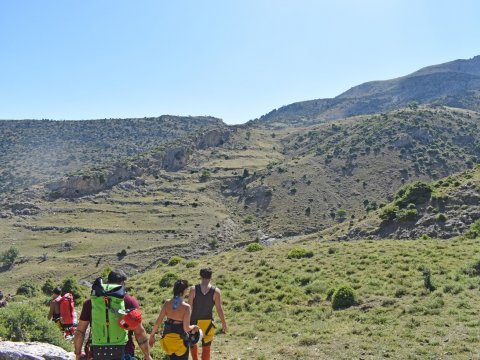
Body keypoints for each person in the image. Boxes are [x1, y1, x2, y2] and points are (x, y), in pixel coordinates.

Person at [73, 270, 152, 360]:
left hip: (97, 353)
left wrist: (78, 353)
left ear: (108, 282)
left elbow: (80, 332)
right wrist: (147, 355)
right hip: (124, 352)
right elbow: (140, 333)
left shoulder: (91, 302)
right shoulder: (130, 301)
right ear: (122, 283)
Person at [149, 279, 200, 360]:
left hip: (168, 340)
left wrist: (152, 335)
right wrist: (194, 326)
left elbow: (157, 322)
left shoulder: (167, 303)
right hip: (180, 341)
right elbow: (186, 328)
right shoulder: (186, 307)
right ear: (184, 291)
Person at [188, 268, 227, 360]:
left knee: (193, 344)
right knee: (206, 348)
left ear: (200, 276)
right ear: (211, 277)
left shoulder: (193, 289)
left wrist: (185, 322)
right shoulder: (216, 291)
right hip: (208, 324)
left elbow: (188, 308)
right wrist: (224, 323)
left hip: (194, 323)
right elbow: (219, 309)